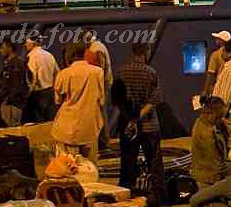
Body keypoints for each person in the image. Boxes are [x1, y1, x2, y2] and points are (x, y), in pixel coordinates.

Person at [114, 43, 163, 190]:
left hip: (126, 125)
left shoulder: (120, 72)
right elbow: (154, 100)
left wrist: (130, 119)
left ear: (133, 53)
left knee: (127, 162)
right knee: (154, 163)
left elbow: (117, 101)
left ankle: (126, 193)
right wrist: (137, 118)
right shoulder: (151, 72)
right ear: (145, 53)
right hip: (149, 126)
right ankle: (158, 196)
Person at [51, 42, 106, 160]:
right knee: (90, 166)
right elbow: (101, 100)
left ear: (71, 54)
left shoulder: (63, 74)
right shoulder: (98, 72)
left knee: (69, 166)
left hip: (67, 127)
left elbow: (57, 100)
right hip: (90, 126)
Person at [190, 96, 231, 189]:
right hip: (209, 180)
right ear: (208, 112)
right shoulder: (206, 134)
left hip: (208, 175)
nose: (220, 120)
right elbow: (215, 163)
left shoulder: (202, 121)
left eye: (222, 117)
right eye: (218, 117)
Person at [0, 40, 28, 127]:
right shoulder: (9, 64)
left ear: (10, 48)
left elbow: (17, 85)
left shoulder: (16, 64)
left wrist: (7, 99)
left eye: (3, 48)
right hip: (8, 103)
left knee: (12, 130)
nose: (0, 51)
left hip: (13, 104)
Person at [24, 36, 58, 124]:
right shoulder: (49, 55)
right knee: (50, 123)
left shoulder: (31, 57)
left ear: (33, 43)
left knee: (38, 125)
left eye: (27, 42)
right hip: (50, 93)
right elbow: (57, 73)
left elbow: (33, 78)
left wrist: (28, 95)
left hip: (38, 95)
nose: (25, 44)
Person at [201, 30, 231, 101]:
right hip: (229, 87)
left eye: (218, 38)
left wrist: (205, 91)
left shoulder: (215, 55)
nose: (216, 40)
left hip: (218, 88)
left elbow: (210, 74)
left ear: (222, 41)